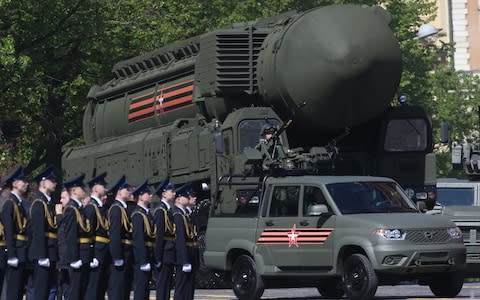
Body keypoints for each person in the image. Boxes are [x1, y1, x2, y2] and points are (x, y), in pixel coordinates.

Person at [28, 167, 58, 300]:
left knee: (49, 290)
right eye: (52, 180)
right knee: (41, 291)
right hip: (43, 254)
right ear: (44, 183)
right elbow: (38, 231)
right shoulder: (39, 203)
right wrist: (42, 256)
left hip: (50, 252)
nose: (55, 183)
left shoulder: (46, 203)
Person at [1, 166, 29, 300]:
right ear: (15, 183)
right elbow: (8, 231)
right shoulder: (9, 204)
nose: (26, 183)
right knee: (12, 291)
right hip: (15, 252)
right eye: (23, 181)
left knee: (18, 291)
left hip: (22, 251)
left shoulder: (19, 204)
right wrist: (11, 254)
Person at [61, 173, 90, 300]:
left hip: (83, 255)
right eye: (81, 188)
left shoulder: (79, 208)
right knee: (75, 293)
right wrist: (74, 259)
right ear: (73, 191)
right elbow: (70, 235)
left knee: (82, 292)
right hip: (76, 256)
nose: (84, 190)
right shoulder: (71, 209)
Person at [84, 172, 110, 300]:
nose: (105, 186)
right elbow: (89, 233)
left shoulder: (101, 208)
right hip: (96, 253)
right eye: (102, 184)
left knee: (100, 290)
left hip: (103, 253)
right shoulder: (91, 208)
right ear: (94, 188)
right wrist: (91, 255)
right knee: (92, 290)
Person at [107, 175, 133, 300]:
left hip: (126, 253)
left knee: (124, 290)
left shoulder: (123, 208)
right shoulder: (116, 209)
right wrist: (117, 257)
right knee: (118, 290)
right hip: (121, 253)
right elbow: (115, 235)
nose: (129, 191)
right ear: (119, 191)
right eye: (126, 189)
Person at [172, 184, 198, 300]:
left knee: (188, 289)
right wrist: (184, 260)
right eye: (186, 196)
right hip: (184, 256)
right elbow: (180, 239)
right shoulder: (178, 215)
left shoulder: (184, 215)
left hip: (190, 254)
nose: (189, 198)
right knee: (182, 288)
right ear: (178, 199)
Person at [131, 181, 154, 300]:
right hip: (141, 259)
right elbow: (138, 240)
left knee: (145, 291)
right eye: (147, 193)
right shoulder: (137, 215)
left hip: (148, 256)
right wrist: (143, 261)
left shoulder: (147, 214)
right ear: (140, 196)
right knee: (140, 290)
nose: (150, 195)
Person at [153, 177, 176, 300]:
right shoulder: (160, 211)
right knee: (162, 286)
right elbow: (159, 237)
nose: (174, 192)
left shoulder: (168, 211)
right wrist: (157, 258)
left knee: (167, 285)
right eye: (170, 190)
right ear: (163, 193)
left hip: (169, 253)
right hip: (163, 254)